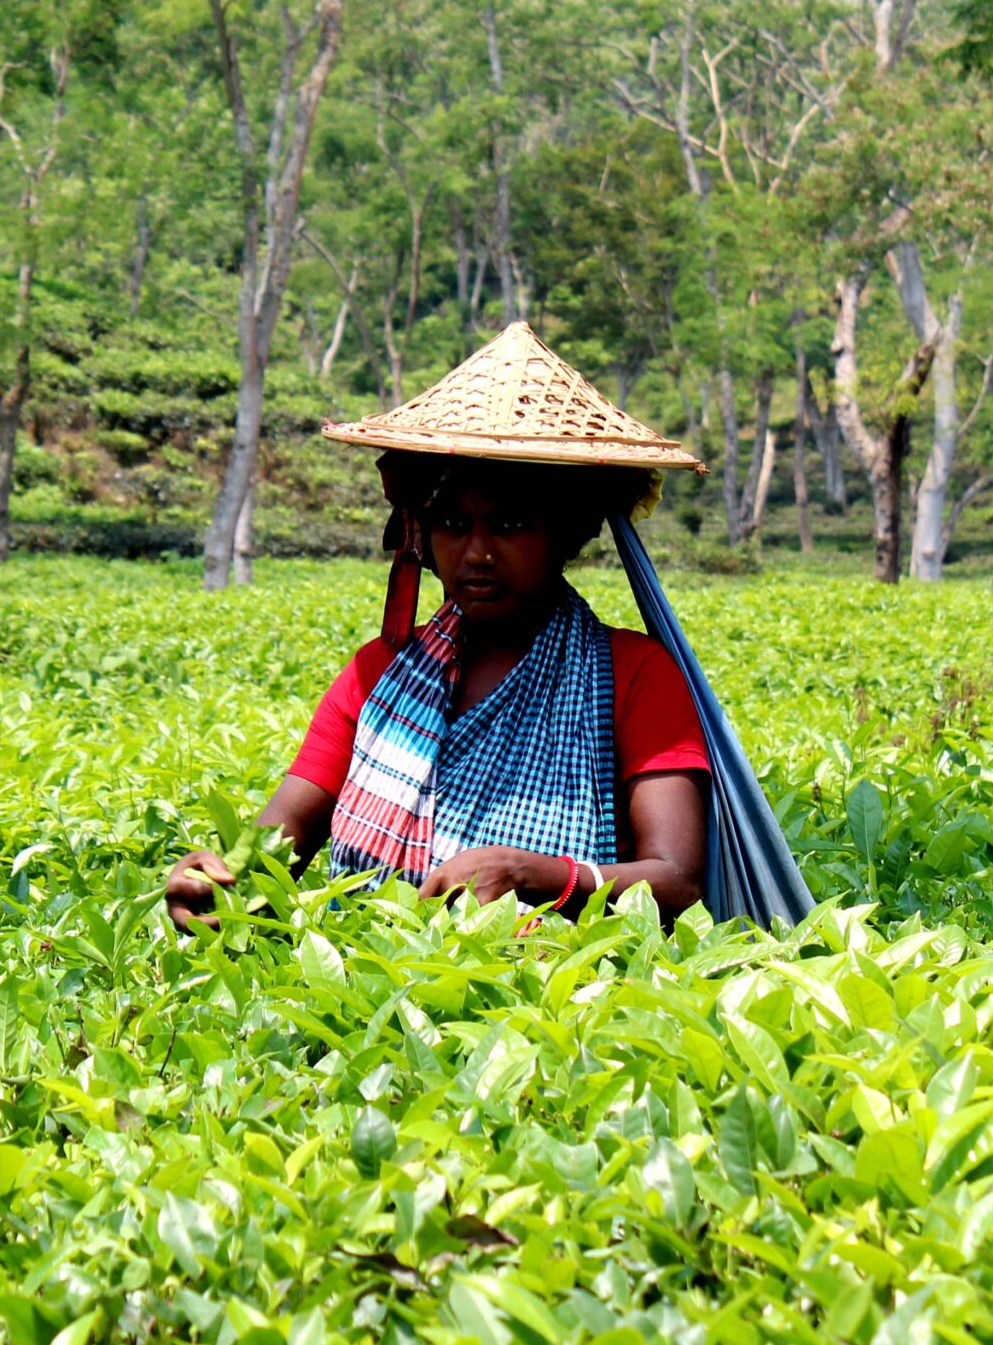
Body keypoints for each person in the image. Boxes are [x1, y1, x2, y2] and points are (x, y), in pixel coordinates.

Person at [165, 324, 716, 931]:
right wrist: (216, 881)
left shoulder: (633, 674)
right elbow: (274, 852)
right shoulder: (379, 674)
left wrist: (537, 874)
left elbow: (676, 881)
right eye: (453, 524)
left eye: (510, 526)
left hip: (552, 983)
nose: (477, 552)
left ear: (566, 534)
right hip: (368, 978)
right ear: (422, 535)